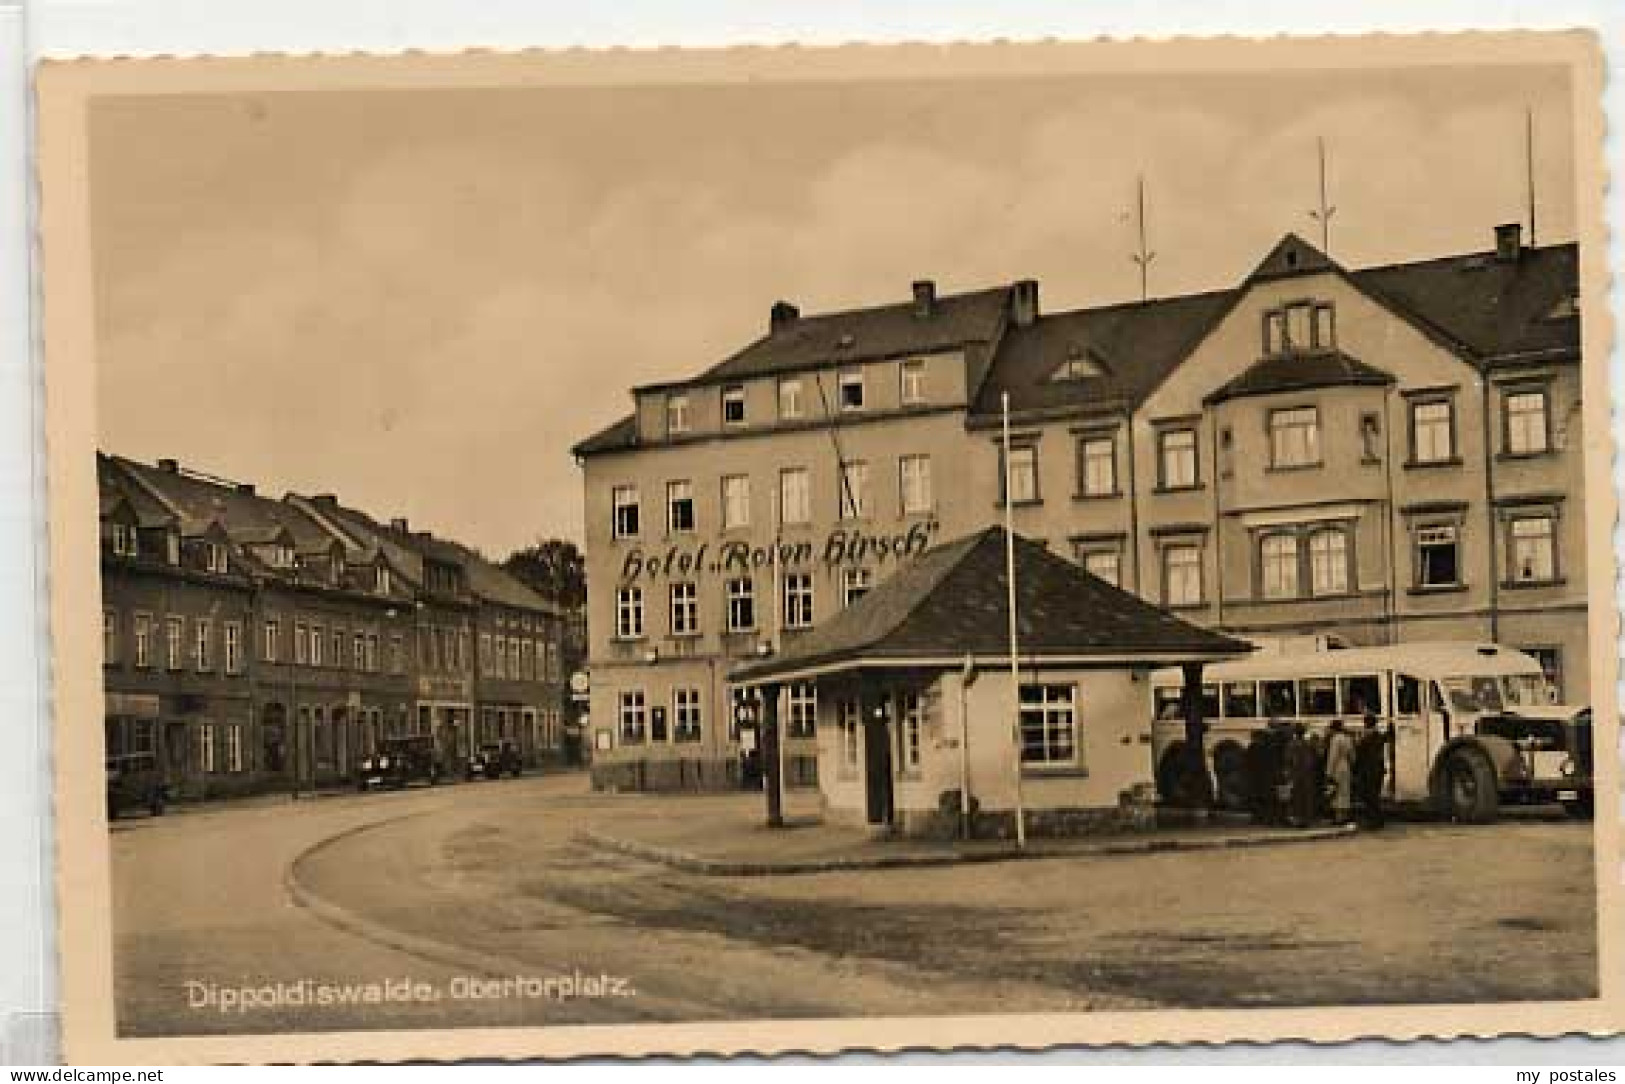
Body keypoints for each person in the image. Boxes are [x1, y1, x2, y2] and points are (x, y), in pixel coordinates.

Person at [1354, 713, 1388, 829]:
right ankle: (1377, 819)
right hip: (1378, 769)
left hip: (1368, 770)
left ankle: (1374, 820)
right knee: (1374, 795)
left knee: (1369, 796)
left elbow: (1359, 753)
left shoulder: (1366, 737)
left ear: (1366, 723)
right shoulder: (1378, 736)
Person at [1285, 722, 1318, 828]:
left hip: (1296, 773)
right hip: (1307, 774)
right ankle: (1306, 819)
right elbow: (1312, 759)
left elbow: (1288, 759)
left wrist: (1289, 773)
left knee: (1297, 797)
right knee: (1307, 797)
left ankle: (1298, 819)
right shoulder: (1308, 744)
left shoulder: (1292, 744)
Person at [1325, 719, 1356, 825]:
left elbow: (1332, 757)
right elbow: (1352, 756)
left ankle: (1339, 818)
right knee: (1345, 792)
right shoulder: (1347, 739)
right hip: (1346, 766)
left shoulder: (1335, 739)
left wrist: (1329, 772)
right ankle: (1345, 816)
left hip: (1337, 767)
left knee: (1337, 793)